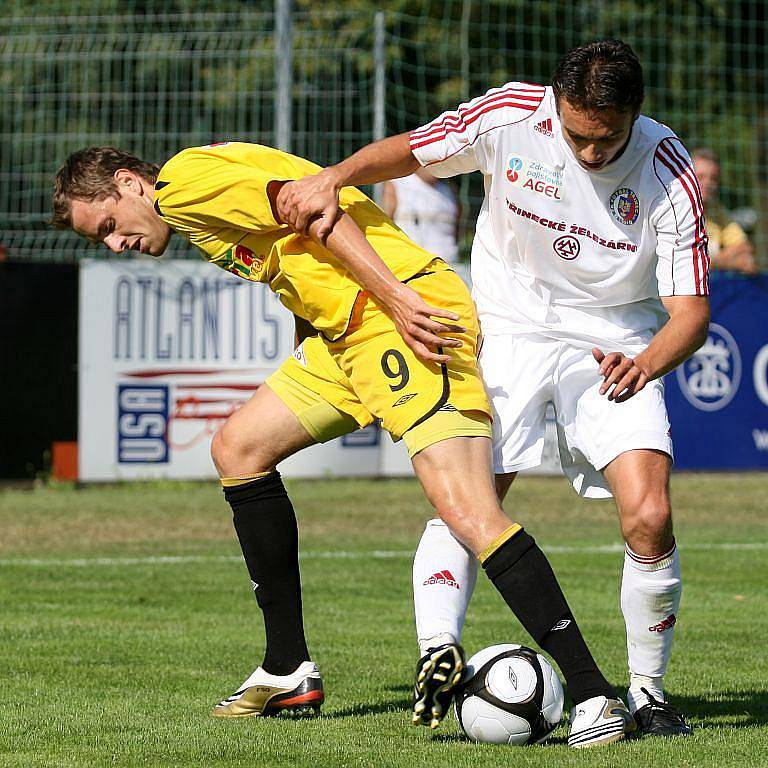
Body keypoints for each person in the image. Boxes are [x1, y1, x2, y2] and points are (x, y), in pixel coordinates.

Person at [52, 142, 636, 747]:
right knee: (238, 450)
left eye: (112, 226)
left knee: (470, 512)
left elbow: (311, 208)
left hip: (399, 316)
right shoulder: (192, 191)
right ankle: (287, 666)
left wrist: (397, 299)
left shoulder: (181, 186)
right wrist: (310, 333)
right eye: (103, 242)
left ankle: (594, 693)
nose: (116, 244)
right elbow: (292, 251)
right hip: (345, 337)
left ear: (128, 183)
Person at [278, 38, 708, 739]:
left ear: (635, 113)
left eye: (606, 140)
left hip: (616, 343)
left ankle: (648, 694)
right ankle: (436, 651)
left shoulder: (666, 166)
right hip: (507, 330)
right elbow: (415, 151)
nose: (590, 154)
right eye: (575, 136)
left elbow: (689, 313)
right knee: (470, 498)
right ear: (555, 104)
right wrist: (336, 176)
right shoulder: (511, 114)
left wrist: (649, 361)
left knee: (649, 516)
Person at [692, 147, 758, 275]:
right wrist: (727, 261)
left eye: (714, 178)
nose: (708, 183)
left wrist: (715, 260)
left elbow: (745, 247)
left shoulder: (717, 210)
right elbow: (690, 263)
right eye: (701, 177)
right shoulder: (676, 211)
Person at [381, 167, 461, 262]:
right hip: (410, 262)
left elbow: (457, 228)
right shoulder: (396, 184)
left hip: (448, 263)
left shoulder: (449, 190)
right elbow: (385, 225)